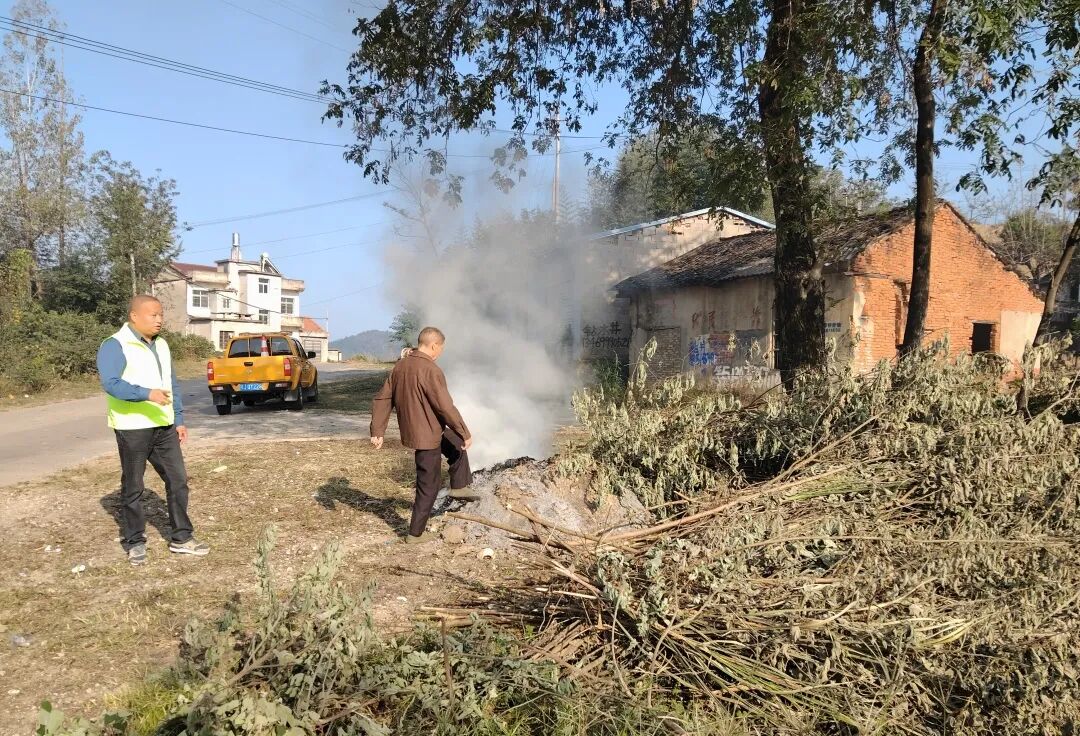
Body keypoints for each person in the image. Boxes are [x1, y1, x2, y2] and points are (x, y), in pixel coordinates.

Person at [96, 295, 209, 566]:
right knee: (134, 486)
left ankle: (181, 538)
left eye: (161, 315)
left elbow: (171, 384)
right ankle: (135, 541)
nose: (159, 320)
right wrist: (146, 394)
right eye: (153, 315)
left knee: (178, 480)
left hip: (164, 426)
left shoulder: (162, 344)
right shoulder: (115, 344)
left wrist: (178, 419)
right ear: (134, 316)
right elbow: (111, 383)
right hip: (132, 427)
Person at [370, 326, 479, 543]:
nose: (440, 353)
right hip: (425, 435)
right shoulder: (430, 370)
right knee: (428, 486)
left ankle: (459, 486)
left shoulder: (400, 366)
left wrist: (377, 430)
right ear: (434, 345)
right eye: (441, 349)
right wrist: (464, 430)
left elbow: (383, 398)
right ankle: (415, 534)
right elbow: (444, 406)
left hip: (428, 428)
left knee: (456, 444)